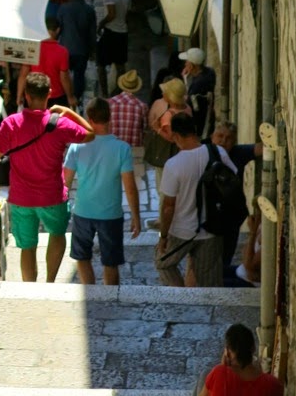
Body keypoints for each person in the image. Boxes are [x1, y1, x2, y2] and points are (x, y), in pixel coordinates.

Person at [0, 71, 94, 282]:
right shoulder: (60, 124)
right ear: (49, 93)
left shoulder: (11, 124)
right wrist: (68, 112)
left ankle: (30, 287)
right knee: (57, 234)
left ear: (26, 95)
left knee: (27, 246)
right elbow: (90, 133)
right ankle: (50, 281)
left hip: (21, 198)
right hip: (52, 196)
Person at [63, 98, 141, 285]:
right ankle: (110, 296)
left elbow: (65, 182)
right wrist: (136, 216)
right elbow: (130, 187)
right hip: (111, 214)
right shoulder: (122, 148)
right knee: (111, 262)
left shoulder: (76, 146)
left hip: (83, 211)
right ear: (110, 118)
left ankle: (90, 292)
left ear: (89, 119)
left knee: (82, 257)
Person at [154, 112, 235, 288]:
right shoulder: (218, 152)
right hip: (212, 229)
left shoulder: (173, 165)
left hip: (181, 231)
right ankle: (207, 304)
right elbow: (233, 180)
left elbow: (168, 207)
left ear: (176, 136)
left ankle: (181, 296)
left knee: (163, 263)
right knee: (209, 283)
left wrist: (163, 236)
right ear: (194, 131)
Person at [196, 323, 283, 396]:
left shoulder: (218, 373)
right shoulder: (272, 384)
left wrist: (222, 368)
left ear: (227, 352)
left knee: (205, 375)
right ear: (253, 349)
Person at [211, 121, 263, 273]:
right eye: (220, 136)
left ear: (234, 141)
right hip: (210, 216)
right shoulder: (204, 152)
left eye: (229, 138)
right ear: (212, 136)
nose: (223, 141)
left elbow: (261, 148)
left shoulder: (237, 153)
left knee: (225, 255)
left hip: (231, 216)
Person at [18, 16, 76, 107]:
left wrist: (19, 96)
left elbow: (23, 74)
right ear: (58, 30)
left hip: (34, 96)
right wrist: (70, 97)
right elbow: (64, 77)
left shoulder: (31, 48)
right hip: (56, 97)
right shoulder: (62, 51)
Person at [58, 0, 98, 102]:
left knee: (63, 73)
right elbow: (92, 34)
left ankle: (65, 96)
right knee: (79, 76)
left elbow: (58, 28)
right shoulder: (89, 10)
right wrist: (92, 51)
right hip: (82, 50)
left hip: (65, 49)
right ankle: (77, 98)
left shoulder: (63, 9)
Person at [96, 0, 130, 92]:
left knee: (100, 65)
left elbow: (111, 14)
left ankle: (105, 93)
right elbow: (126, 15)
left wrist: (101, 24)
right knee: (120, 65)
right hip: (123, 33)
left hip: (110, 33)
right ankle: (119, 91)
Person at [180, 46, 217, 137]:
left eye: (187, 62)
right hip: (209, 118)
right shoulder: (210, 72)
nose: (185, 64)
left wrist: (185, 79)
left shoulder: (198, 84)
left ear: (192, 66)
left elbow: (189, 102)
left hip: (201, 124)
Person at [108, 69, 148, 150]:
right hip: (133, 150)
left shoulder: (110, 103)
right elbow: (145, 129)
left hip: (112, 148)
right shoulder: (142, 106)